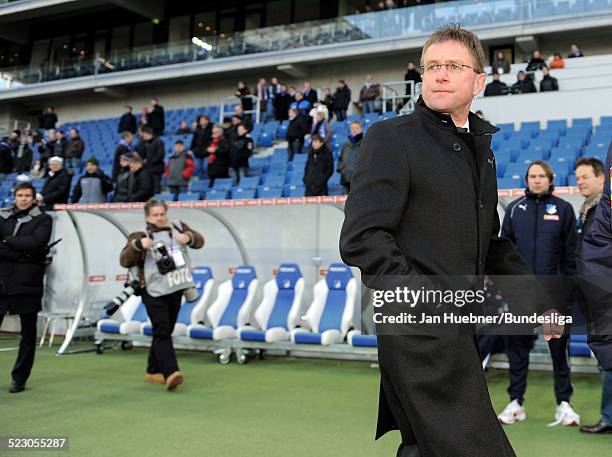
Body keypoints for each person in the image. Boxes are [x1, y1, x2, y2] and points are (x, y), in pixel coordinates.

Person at [339, 26, 562, 457]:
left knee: (424, 446)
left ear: (479, 81)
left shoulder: (482, 149)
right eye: (432, 66)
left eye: (453, 66)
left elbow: (491, 244)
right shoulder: (392, 137)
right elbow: (362, 237)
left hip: (459, 329)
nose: (440, 74)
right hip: (420, 330)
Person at [498, 161, 580, 426]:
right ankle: (516, 403)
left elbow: (571, 255)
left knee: (559, 350)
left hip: (553, 296)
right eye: (532, 176)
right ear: (527, 179)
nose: (536, 180)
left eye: (541, 176)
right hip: (520, 296)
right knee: (517, 350)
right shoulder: (514, 210)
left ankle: (564, 404)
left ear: (549, 179)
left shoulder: (564, 209)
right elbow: (504, 254)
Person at [119, 198, 204, 391]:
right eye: (155, 215)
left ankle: (152, 370)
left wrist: (189, 237)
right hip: (151, 290)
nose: (159, 218)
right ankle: (171, 372)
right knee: (162, 329)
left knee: (166, 329)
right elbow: (124, 261)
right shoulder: (140, 234)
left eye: (162, 214)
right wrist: (138, 245)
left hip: (175, 286)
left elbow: (200, 241)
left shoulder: (178, 227)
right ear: (148, 216)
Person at [0, 182, 52, 393]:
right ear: (15, 196)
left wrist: (7, 241)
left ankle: (19, 379)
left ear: (33, 198)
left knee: (28, 334)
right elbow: (28, 247)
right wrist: (21, 253)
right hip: (2, 283)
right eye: (20, 195)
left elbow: (37, 244)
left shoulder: (44, 218)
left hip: (28, 284)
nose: (23, 199)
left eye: (27, 195)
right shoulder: (3, 215)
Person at [577, 147, 612, 434]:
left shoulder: (602, 209)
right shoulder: (587, 210)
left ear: (603, 178)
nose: (580, 182)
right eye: (577, 178)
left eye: (585, 177)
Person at [137, 127, 165, 195]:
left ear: (148, 134)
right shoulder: (145, 143)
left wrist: (149, 161)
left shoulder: (158, 141)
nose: (142, 137)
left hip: (156, 170)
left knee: (156, 189)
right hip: (148, 170)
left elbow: (160, 154)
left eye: (143, 135)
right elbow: (138, 152)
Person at [338, 121, 363, 193]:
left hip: (359, 178)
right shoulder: (346, 144)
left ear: (361, 129)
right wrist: (342, 169)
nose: (354, 130)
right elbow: (340, 159)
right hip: (346, 178)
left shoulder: (365, 143)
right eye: (352, 128)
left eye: (356, 128)